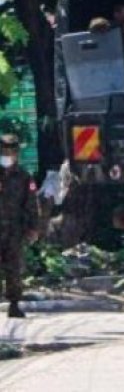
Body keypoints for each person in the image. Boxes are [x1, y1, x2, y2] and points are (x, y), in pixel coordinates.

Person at [0, 134, 40, 318]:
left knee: (14, 267)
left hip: (14, 229)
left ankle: (14, 304)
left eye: (11, 151)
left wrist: (33, 227)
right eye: (4, 151)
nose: (8, 154)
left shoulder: (23, 176)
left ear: (16, 153)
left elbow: (31, 203)